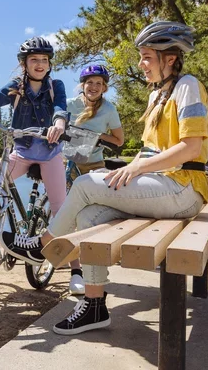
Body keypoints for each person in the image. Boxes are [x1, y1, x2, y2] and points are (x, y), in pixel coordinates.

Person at [1, 21, 208, 335]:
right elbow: (149, 149)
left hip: (183, 188)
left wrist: (136, 170)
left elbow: (191, 146)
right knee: (89, 216)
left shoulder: (187, 86)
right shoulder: (157, 96)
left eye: (147, 58)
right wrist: (125, 170)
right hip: (163, 186)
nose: (141, 64)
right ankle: (94, 305)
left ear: (169, 59)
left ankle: (41, 245)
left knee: (85, 184)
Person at [0, 37, 68, 262]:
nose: (40, 64)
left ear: (49, 64)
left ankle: (75, 269)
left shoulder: (55, 86)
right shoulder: (16, 88)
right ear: (24, 64)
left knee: (62, 210)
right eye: (34, 59)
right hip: (21, 154)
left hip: (50, 155)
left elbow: (60, 107)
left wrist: (59, 124)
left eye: (44, 60)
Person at [63, 64, 124, 295]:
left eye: (99, 84)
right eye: (90, 83)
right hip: (69, 162)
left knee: (91, 218)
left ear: (104, 87)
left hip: (94, 165)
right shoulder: (69, 104)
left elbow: (119, 140)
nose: (94, 87)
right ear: (82, 84)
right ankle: (75, 273)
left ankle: (94, 269)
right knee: (70, 216)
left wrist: (98, 136)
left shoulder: (109, 108)